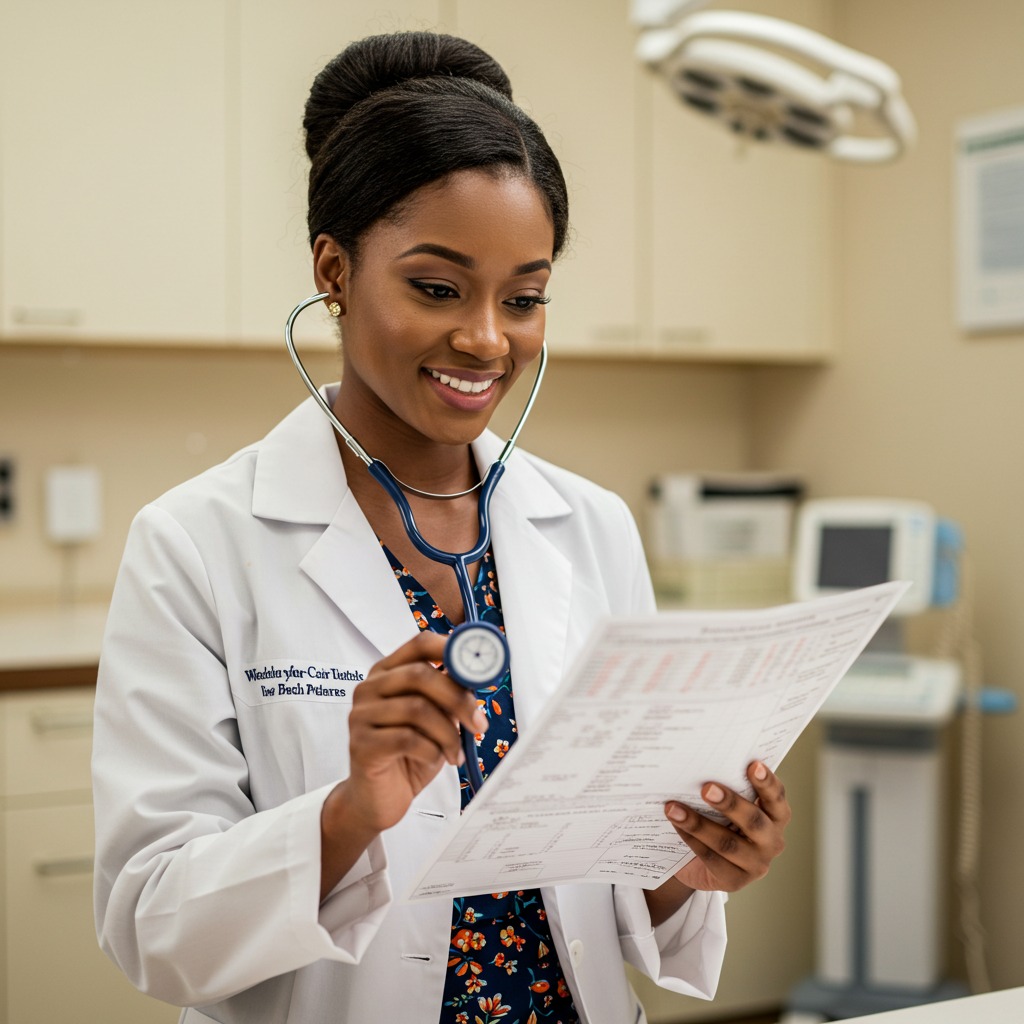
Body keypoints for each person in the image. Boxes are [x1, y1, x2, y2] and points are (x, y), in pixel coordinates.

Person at [93, 30, 791, 1024]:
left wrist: (692, 862)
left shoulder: (590, 528)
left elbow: (613, 896)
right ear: (333, 270)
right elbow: (151, 925)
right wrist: (349, 813)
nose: (485, 338)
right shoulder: (196, 545)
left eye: (525, 297)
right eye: (436, 287)